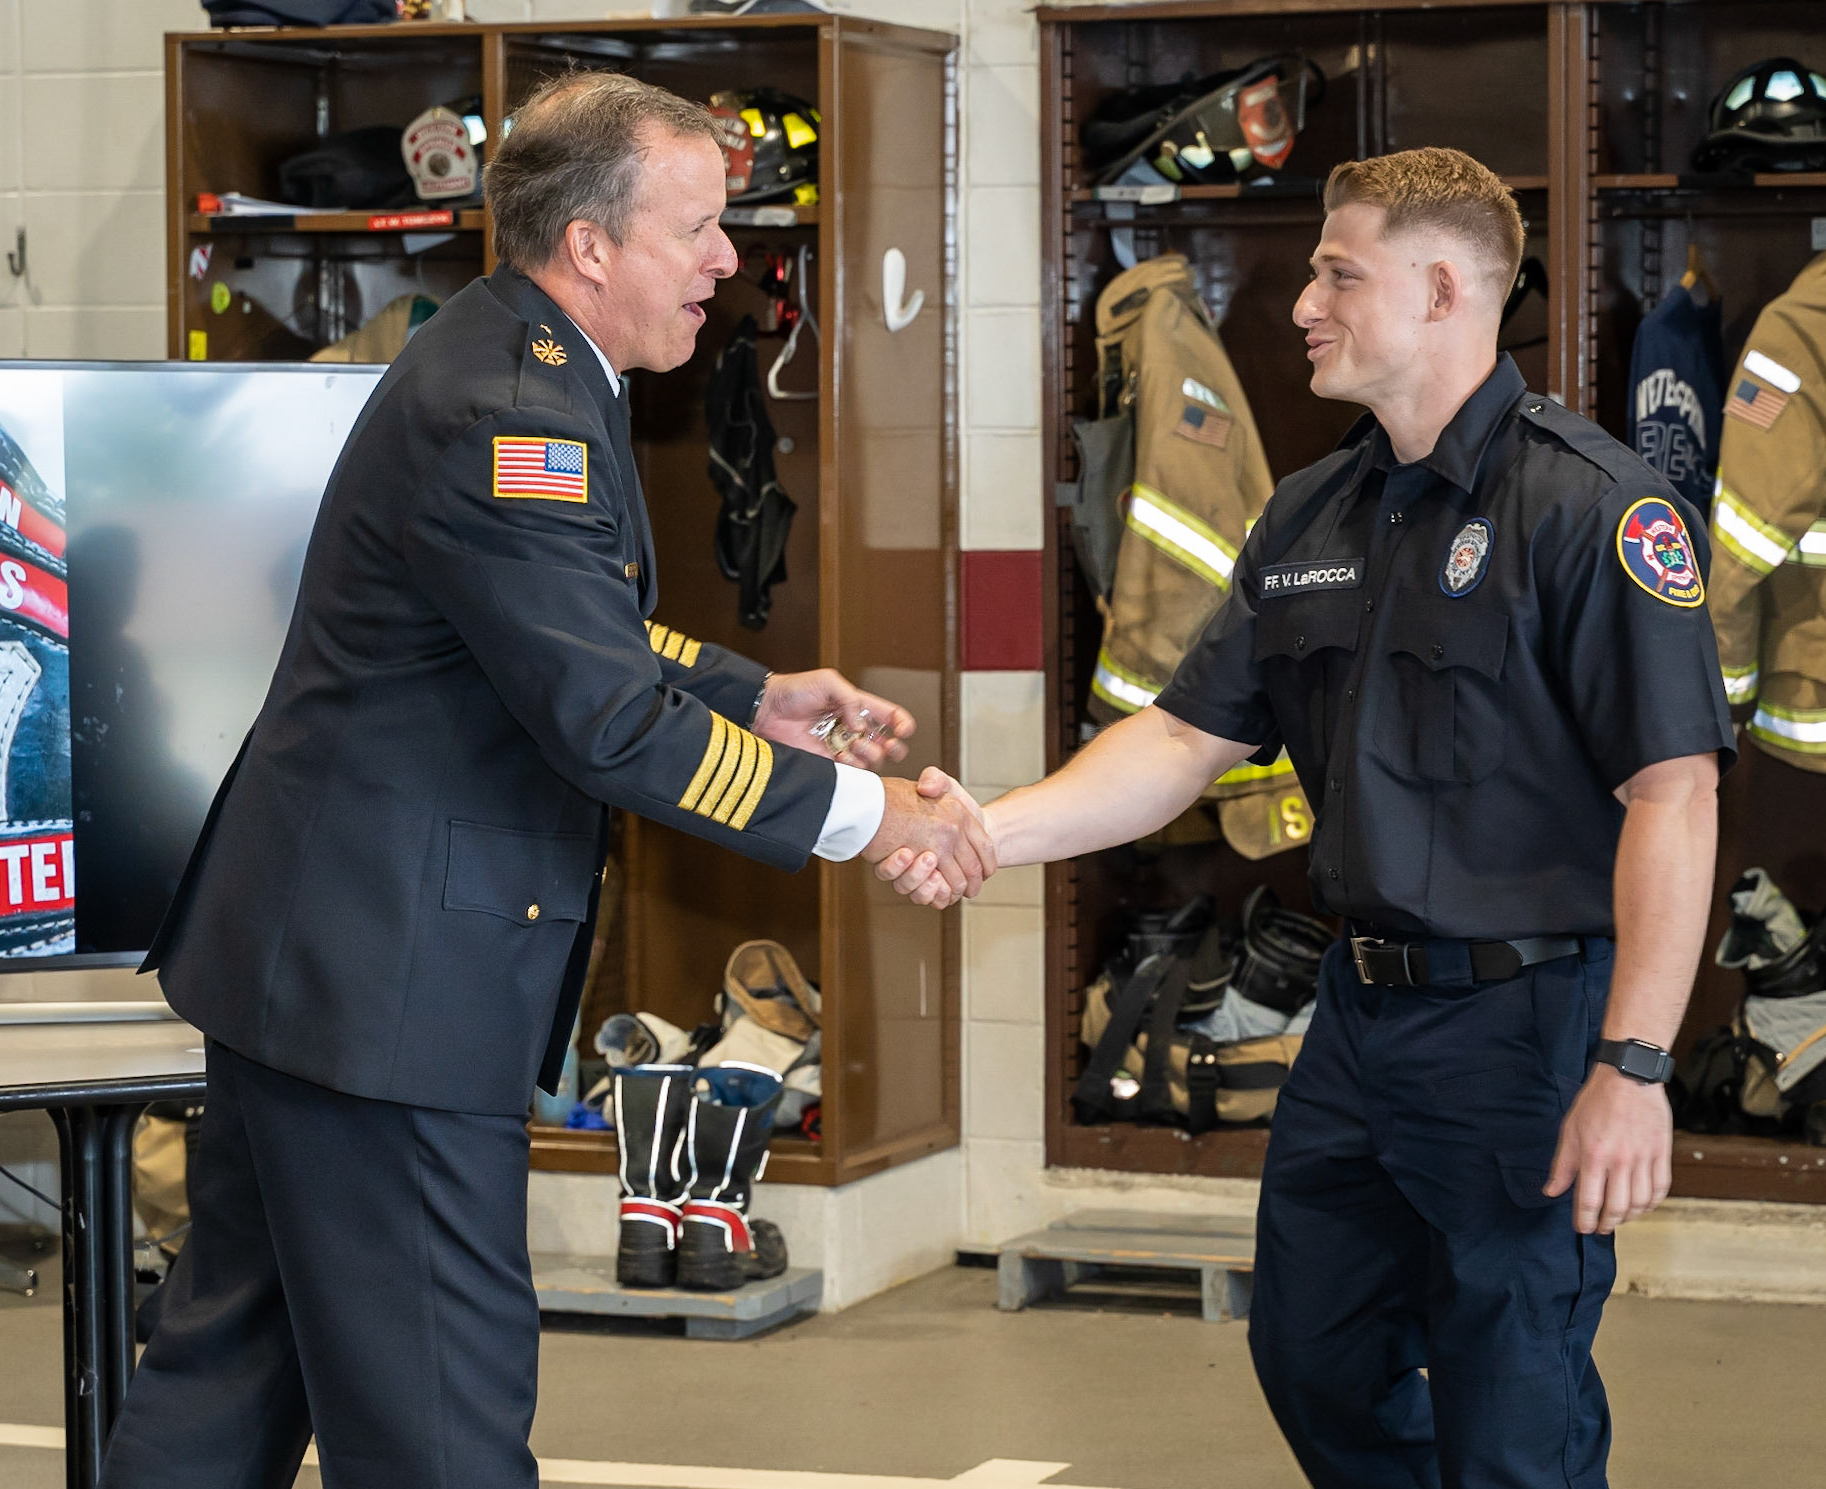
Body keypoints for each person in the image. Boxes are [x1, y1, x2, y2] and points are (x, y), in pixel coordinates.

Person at [99, 72, 991, 1489]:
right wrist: (874, 818)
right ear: (590, 245)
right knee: (439, 1422)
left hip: (313, 961)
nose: (726, 259)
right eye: (696, 229)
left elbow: (549, 625)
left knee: (228, 1381)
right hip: (385, 997)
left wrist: (751, 694)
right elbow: (606, 719)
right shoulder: (516, 414)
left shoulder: (519, 363)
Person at [883, 147, 1733, 1487]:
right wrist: (987, 827)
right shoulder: (1309, 512)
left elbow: (1673, 794)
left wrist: (1631, 1069)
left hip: (1525, 1027)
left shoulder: (1590, 508)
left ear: (1441, 290)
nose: (1302, 305)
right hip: (1357, 1022)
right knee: (1315, 1356)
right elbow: (1181, 740)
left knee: (1513, 1410)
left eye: (1339, 274)